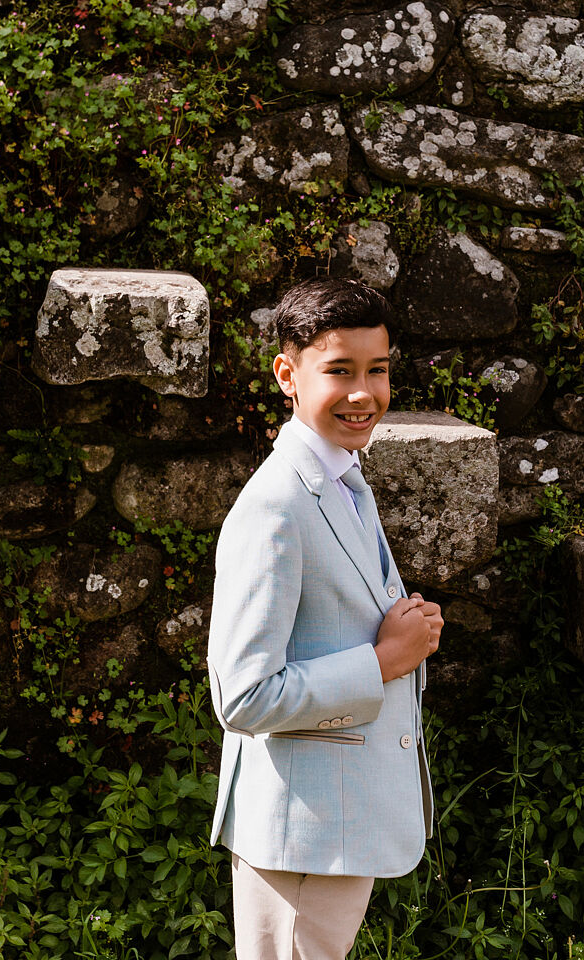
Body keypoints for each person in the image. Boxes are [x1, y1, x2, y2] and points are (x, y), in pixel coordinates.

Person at [206, 278, 443, 960]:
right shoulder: (276, 506)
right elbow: (243, 696)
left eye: (378, 369)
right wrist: (383, 661)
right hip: (300, 837)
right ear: (288, 374)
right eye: (339, 370)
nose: (363, 393)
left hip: (334, 826)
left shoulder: (341, 477)